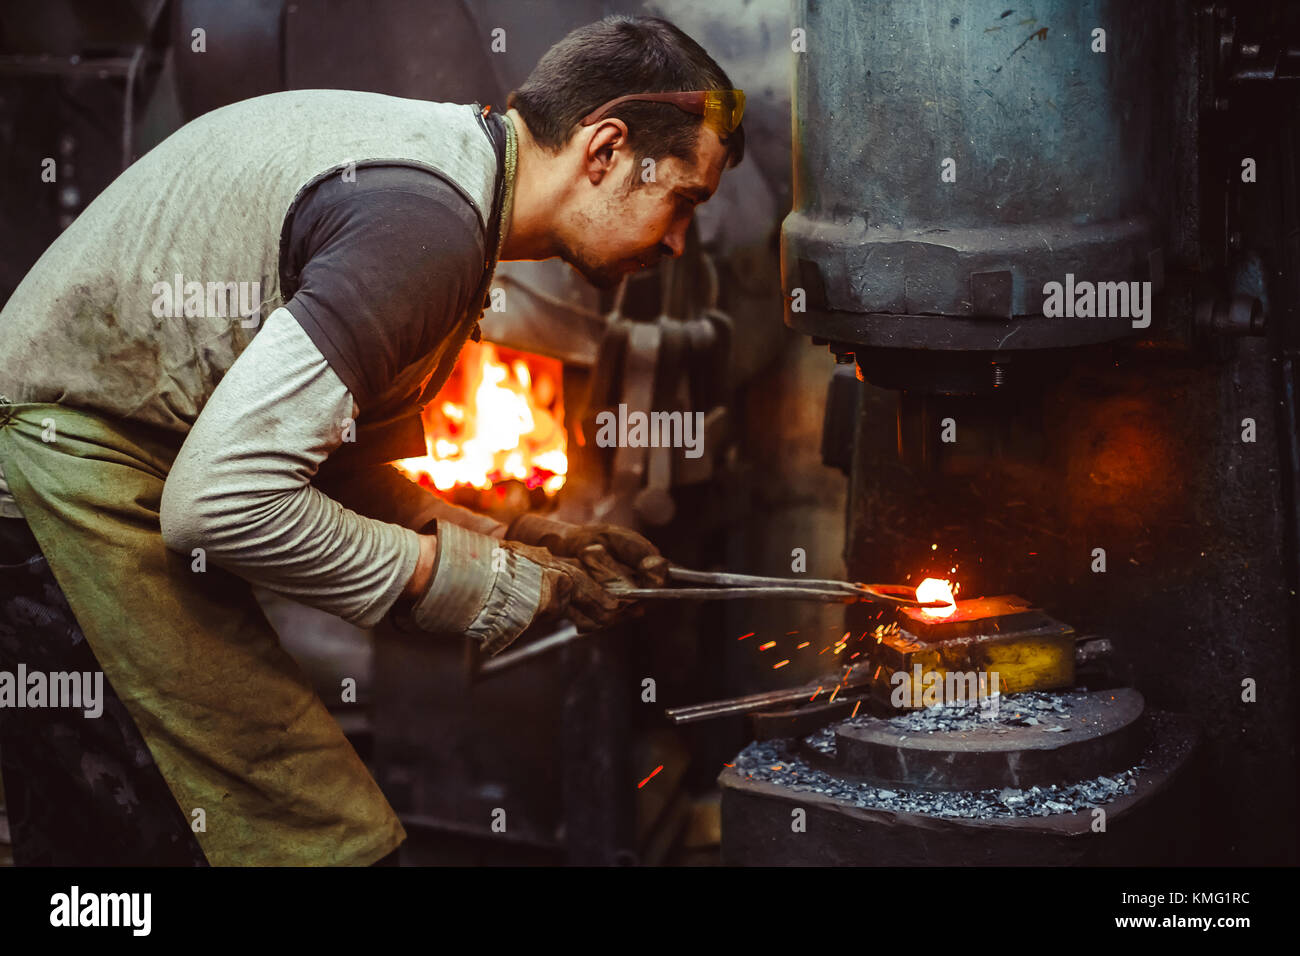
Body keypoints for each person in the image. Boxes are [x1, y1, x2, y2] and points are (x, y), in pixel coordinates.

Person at [0, 14, 745, 866]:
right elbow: (221, 505)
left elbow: (328, 465)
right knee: (313, 843)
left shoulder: (452, 182)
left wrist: (521, 537)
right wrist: (483, 583)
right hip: (51, 491)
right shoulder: (427, 226)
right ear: (605, 150)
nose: (682, 240)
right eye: (683, 200)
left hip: (98, 473)